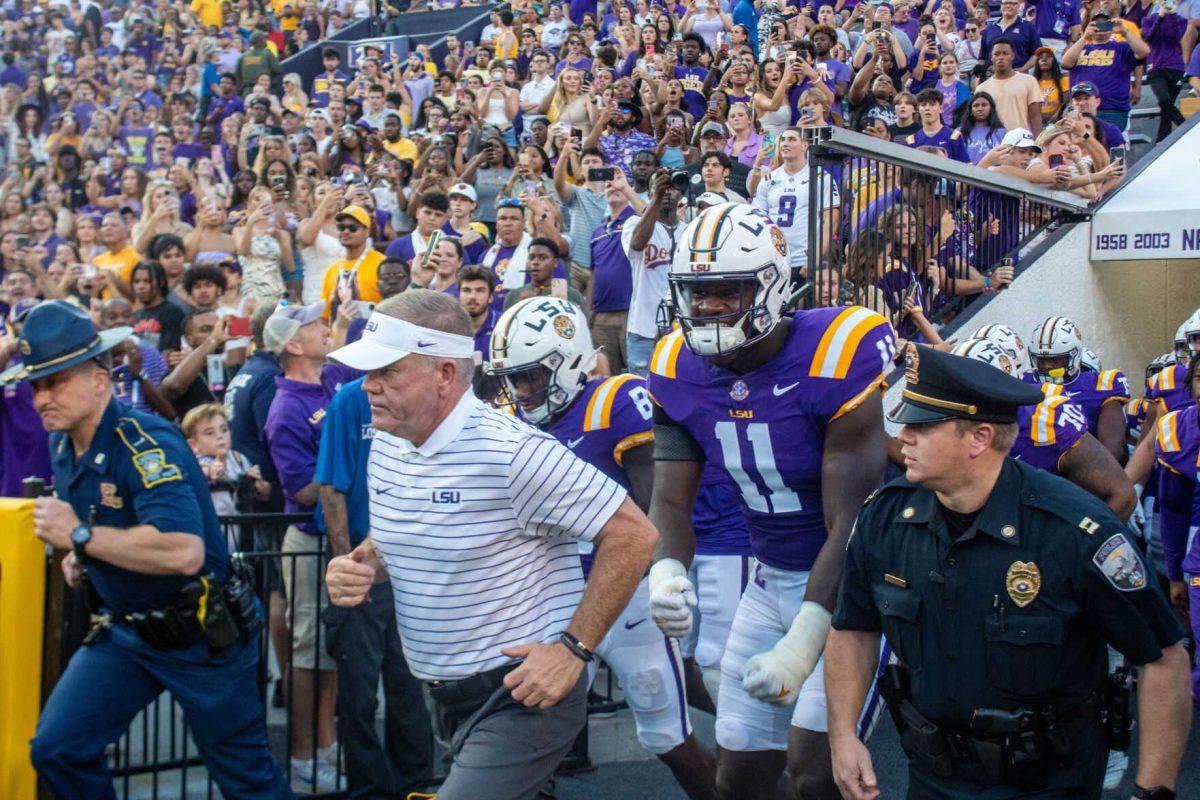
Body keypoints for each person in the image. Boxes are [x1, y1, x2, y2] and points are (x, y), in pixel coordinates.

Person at [324, 290, 657, 800]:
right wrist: (367, 563)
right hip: (447, 696)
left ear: (445, 375)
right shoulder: (389, 441)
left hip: (521, 696)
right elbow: (405, 534)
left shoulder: (513, 452)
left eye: (388, 371)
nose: (368, 385)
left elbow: (635, 534)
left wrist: (574, 651)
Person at [826, 343, 1191, 800]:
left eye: (922, 425)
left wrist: (1151, 791)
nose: (902, 437)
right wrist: (842, 734)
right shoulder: (885, 519)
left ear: (978, 438)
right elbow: (852, 630)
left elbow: (1162, 658)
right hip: (932, 776)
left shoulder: (1072, 530)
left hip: (1048, 783)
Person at [646, 203, 896, 799]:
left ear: (771, 285)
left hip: (850, 589)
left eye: (724, 293)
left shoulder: (836, 349)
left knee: (816, 775)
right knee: (741, 780)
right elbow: (670, 502)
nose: (706, 310)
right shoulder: (675, 365)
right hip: (766, 583)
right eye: (694, 294)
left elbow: (853, 522)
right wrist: (665, 570)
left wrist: (807, 638)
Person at [14, 301, 290, 799]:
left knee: (248, 782)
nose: (41, 398)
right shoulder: (61, 445)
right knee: (57, 747)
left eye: (55, 381)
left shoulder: (146, 442)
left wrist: (80, 537)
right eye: (35, 384)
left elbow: (183, 550)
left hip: (203, 636)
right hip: (129, 633)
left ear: (99, 380)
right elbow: (108, 524)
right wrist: (89, 553)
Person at [488, 297, 719, 798]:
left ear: (568, 361)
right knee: (532, 732)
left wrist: (662, 574)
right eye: (513, 378)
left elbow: (652, 499)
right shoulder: (514, 423)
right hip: (556, 599)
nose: (520, 391)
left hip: (626, 596)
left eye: (530, 376)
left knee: (665, 733)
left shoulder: (614, 399)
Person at [315, 372, 434, 797]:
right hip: (366, 566)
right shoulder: (351, 398)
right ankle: (369, 789)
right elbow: (331, 489)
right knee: (359, 694)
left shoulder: (423, 392)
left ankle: (416, 783)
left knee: (409, 686)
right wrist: (350, 568)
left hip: (411, 567)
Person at [262, 301, 340, 792]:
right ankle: (302, 757)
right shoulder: (286, 407)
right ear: (293, 344)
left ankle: (326, 748)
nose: (325, 327)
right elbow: (302, 488)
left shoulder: (329, 381)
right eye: (313, 324)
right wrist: (345, 468)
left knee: (326, 652)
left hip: (334, 538)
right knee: (309, 652)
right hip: (311, 539)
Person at [951, 338, 1137, 516]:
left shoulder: (1047, 419)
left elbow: (1120, 493)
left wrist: (1084, 545)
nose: (1048, 367)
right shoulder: (943, 429)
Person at [1028, 316, 1130, 465]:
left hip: (1085, 470)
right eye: (1042, 361)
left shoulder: (1101, 384)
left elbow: (1112, 453)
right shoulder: (1025, 382)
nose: (1048, 366)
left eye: (1055, 360)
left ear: (1074, 356)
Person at [751, 128, 841, 278]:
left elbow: (831, 220)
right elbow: (758, 219)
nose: (785, 144)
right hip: (774, 260)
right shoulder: (768, 180)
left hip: (804, 259)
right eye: (783, 140)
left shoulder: (821, 177)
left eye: (791, 139)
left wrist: (815, 258)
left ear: (804, 145)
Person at [621, 168, 686, 377]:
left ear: (681, 194)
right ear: (649, 194)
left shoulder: (690, 230)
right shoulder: (633, 224)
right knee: (643, 391)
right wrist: (656, 200)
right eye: (660, 189)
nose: (668, 193)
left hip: (682, 331)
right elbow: (638, 244)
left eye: (672, 189)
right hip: (643, 330)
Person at [1062, 10, 1151, 131]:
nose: (1100, 27)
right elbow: (1065, 63)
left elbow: (1144, 52)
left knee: (1108, 144)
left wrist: (1124, 31)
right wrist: (1084, 37)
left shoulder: (1121, 47)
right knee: (1083, 145)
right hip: (1081, 109)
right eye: (1096, 24)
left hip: (1112, 109)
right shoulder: (1081, 47)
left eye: (1105, 24)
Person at [321, 205, 386, 320]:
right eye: (341, 227)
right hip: (336, 336)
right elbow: (324, 317)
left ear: (367, 232)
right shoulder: (332, 270)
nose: (346, 232)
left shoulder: (382, 264)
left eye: (353, 228)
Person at [975, 39, 1044, 134]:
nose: (1001, 57)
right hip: (994, 143)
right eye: (997, 54)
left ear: (1012, 56)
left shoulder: (1029, 81)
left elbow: (1035, 118)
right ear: (991, 57)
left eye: (1005, 53)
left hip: (1022, 142)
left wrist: (1039, 145)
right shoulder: (981, 89)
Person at [501, 238, 585, 310]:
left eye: (543, 258)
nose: (535, 262)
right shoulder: (513, 296)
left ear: (555, 262)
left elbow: (579, 326)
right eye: (531, 257)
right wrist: (521, 307)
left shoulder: (571, 295)